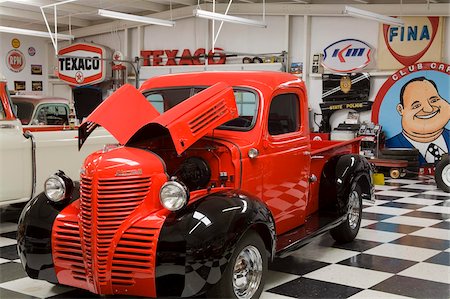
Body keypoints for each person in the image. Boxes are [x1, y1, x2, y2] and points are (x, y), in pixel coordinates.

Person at [386, 77, 450, 164]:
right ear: (401, 110)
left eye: (434, 100)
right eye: (416, 105)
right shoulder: (389, 147)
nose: (428, 109)